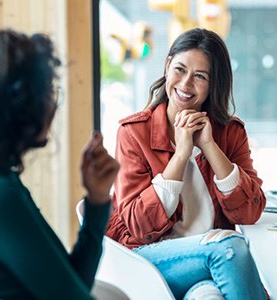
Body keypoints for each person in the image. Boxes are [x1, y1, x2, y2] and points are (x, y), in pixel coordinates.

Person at [0, 29, 120, 299]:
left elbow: (74, 284)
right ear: (19, 106)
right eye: (48, 92)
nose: (53, 105)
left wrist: (97, 200)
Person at [106, 28, 268, 300]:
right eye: (180, 69)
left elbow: (249, 212)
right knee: (231, 247)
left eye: (200, 76)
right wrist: (181, 156)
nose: (186, 84)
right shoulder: (134, 132)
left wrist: (209, 146)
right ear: (168, 66)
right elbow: (138, 226)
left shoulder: (230, 133)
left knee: (208, 296)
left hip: (207, 264)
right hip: (150, 259)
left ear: (214, 83)